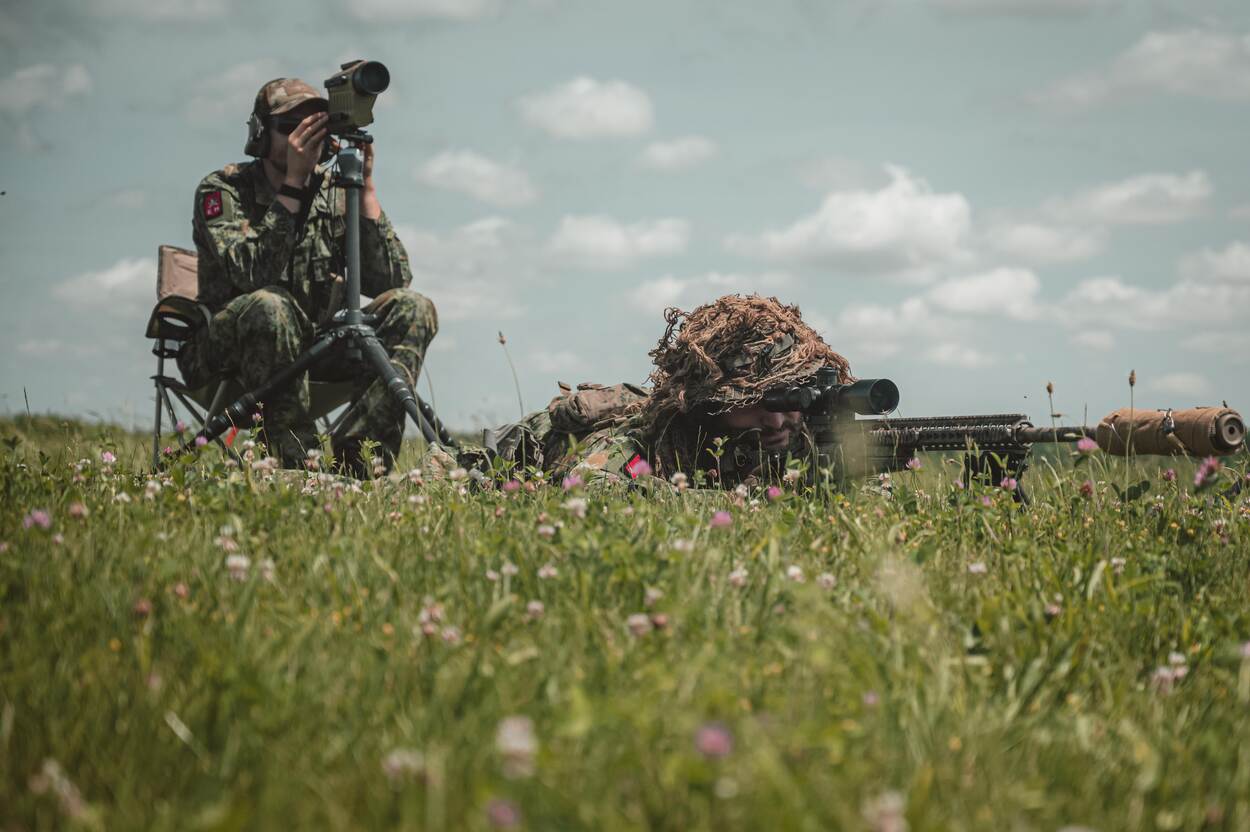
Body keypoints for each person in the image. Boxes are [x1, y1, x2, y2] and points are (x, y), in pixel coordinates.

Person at [178, 77, 438, 475]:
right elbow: (250, 274)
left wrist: (365, 191)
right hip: (224, 356)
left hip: (311, 350)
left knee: (413, 307)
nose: (304, 137)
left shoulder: (334, 193)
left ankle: (363, 463)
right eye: (290, 127)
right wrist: (293, 187)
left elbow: (391, 281)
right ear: (262, 134)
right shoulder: (223, 189)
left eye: (315, 126)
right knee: (271, 304)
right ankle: (296, 462)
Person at [431, 294, 852, 488]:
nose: (776, 419)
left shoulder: (796, 431)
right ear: (709, 404)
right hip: (505, 456)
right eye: (754, 403)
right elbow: (591, 487)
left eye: (789, 398)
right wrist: (749, 501)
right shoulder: (651, 436)